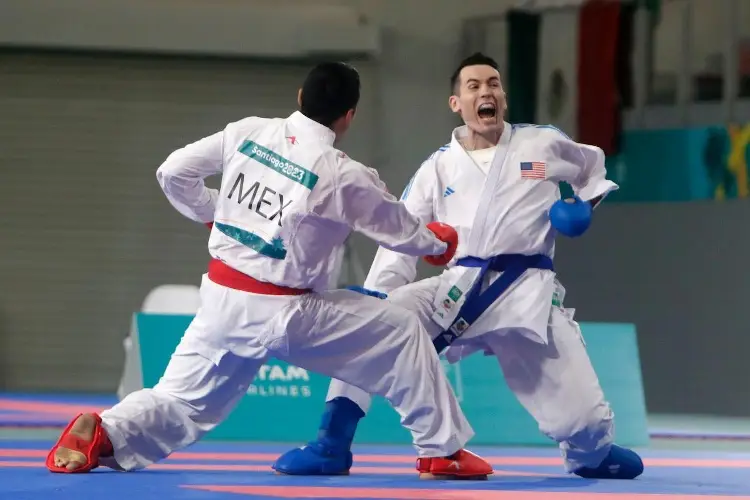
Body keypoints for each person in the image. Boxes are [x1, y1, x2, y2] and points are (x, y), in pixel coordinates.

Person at [45, 61, 493, 480]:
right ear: (348, 117)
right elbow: (398, 231)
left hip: (222, 299)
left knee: (182, 401)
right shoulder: (341, 174)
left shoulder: (248, 132)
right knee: (402, 330)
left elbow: (172, 172)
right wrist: (439, 242)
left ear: (300, 97)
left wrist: (213, 211)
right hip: (289, 314)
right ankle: (441, 450)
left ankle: (105, 430)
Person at [272, 53, 645, 480]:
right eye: (474, 86)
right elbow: (401, 233)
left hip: (526, 293)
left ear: (503, 96)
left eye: (493, 84)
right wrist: (380, 290)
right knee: (375, 328)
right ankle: (331, 443)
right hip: (458, 287)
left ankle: (591, 454)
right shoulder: (438, 166)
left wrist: (583, 206)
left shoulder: (541, 144)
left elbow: (591, 168)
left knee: (585, 420)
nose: (486, 91)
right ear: (456, 103)